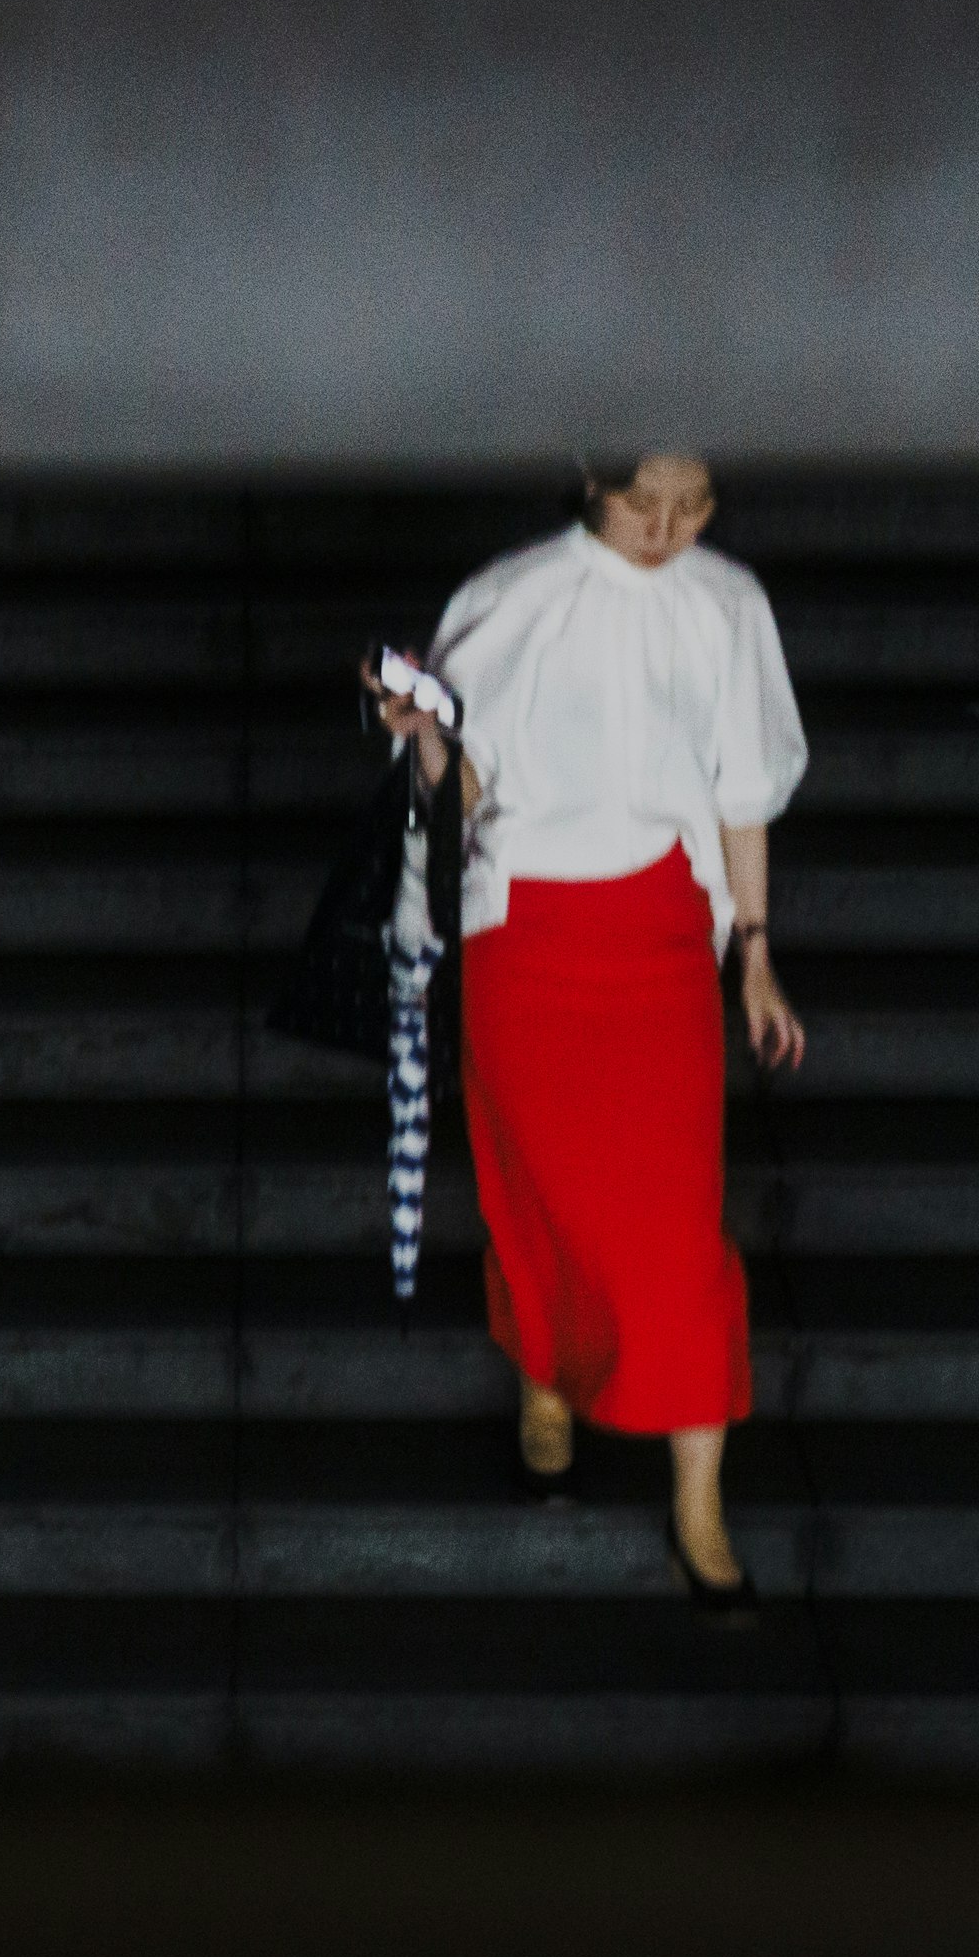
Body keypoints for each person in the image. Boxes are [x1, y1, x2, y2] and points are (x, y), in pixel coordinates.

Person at [365, 453, 808, 1598]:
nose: (667, 527)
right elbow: (459, 790)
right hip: (524, 934)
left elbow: (743, 790)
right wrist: (423, 739)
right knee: (545, 1190)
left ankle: (698, 1507)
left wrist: (754, 953)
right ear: (587, 479)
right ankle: (547, 1381)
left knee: (677, 1231)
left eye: (694, 504)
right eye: (640, 501)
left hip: (661, 928)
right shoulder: (506, 599)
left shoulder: (728, 602)